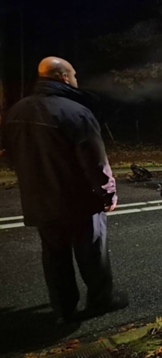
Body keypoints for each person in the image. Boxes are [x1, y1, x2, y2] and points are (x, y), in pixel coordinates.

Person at [3, 56, 128, 323]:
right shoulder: (76, 112)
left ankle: (63, 309)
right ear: (62, 77)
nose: (75, 79)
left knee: (54, 256)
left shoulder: (17, 111)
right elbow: (95, 161)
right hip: (79, 200)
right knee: (92, 252)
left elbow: (12, 156)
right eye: (73, 75)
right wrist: (108, 194)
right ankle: (102, 300)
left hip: (39, 200)